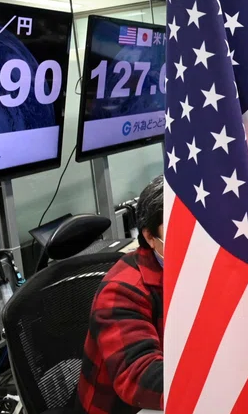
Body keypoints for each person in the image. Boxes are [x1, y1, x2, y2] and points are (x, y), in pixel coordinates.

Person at [77, 175, 165, 414]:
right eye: (179, 229)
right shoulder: (122, 290)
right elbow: (139, 376)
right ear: (150, 237)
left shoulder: (200, 271)